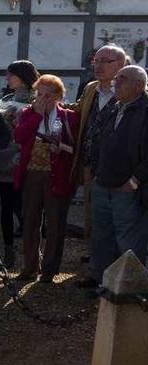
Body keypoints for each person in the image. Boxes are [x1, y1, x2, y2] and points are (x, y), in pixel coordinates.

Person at [13, 75, 79, 283]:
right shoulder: (27, 114)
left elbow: (76, 150)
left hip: (57, 174)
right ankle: (30, 266)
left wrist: (60, 148)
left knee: (55, 223)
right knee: (30, 220)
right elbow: (20, 138)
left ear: (58, 96)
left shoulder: (69, 117)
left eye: (47, 95)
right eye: (39, 94)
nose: (41, 98)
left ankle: (50, 269)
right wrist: (36, 115)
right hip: (32, 173)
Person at [86, 65, 148, 284]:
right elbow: (98, 140)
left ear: (139, 86)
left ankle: (128, 286)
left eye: (122, 79)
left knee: (128, 239)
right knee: (101, 236)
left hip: (127, 187)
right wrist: (95, 172)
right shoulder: (114, 107)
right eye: (117, 78)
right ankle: (99, 279)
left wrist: (134, 181)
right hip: (103, 183)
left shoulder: (144, 110)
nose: (116, 82)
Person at [71, 44, 128, 284]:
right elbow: (79, 112)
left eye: (106, 61)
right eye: (96, 60)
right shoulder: (91, 89)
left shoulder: (132, 91)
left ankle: (119, 270)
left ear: (122, 65)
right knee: (93, 215)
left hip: (118, 170)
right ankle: (97, 261)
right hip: (89, 162)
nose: (99, 65)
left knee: (120, 219)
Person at [0, 60, 38, 267]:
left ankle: (32, 253)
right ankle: (9, 249)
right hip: (4, 160)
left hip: (27, 160)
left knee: (26, 208)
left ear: (22, 76)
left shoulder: (38, 99)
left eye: (11, 75)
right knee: (6, 206)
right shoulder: (6, 99)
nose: (7, 78)